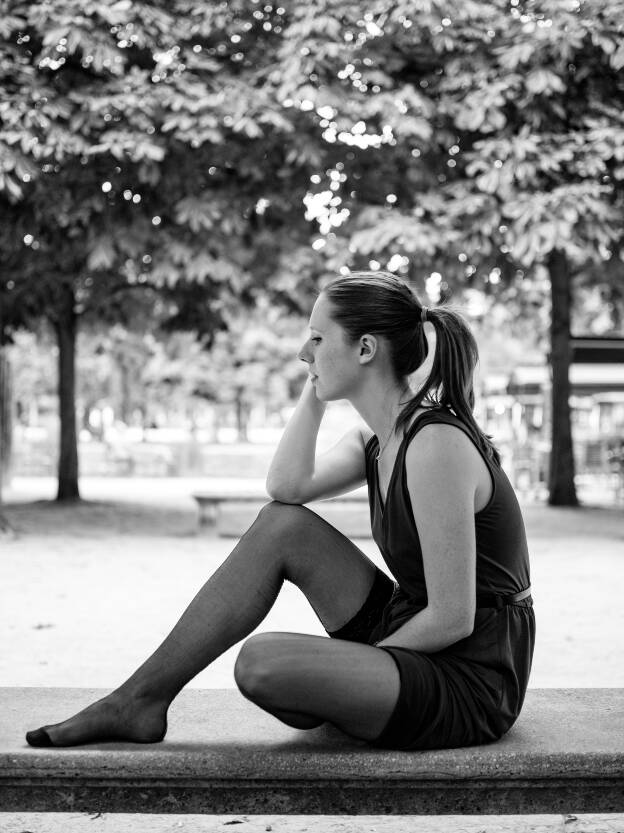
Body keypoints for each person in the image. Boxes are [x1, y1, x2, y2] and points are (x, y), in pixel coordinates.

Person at [26, 271, 534, 751]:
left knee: (264, 665)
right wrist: (315, 397)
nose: (301, 352)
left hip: (470, 672)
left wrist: (351, 667)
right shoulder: (377, 440)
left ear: (364, 349)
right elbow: (286, 489)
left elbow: (453, 618)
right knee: (282, 525)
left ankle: (346, 696)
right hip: (410, 626)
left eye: (316, 339)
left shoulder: (435, 444)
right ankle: (138, 701)